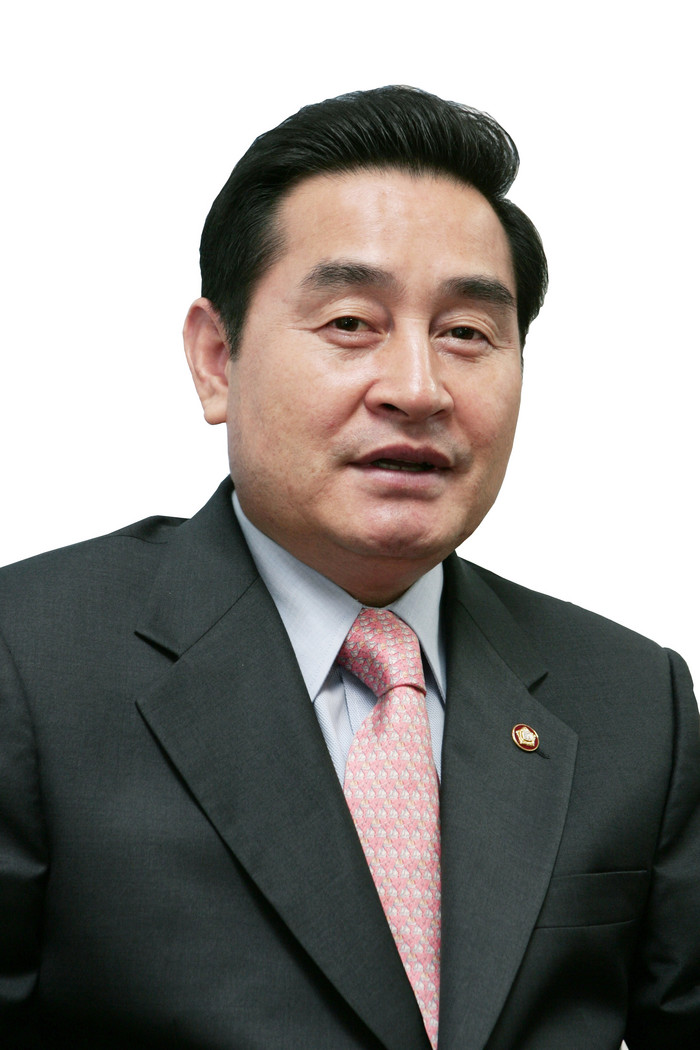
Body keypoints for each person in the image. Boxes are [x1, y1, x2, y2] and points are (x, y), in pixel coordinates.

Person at [0, 86, 698, 1050]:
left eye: (466, 333)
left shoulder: (632, 702)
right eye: (350, 323)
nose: (418, 388)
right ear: (216, 359)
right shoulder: (30, 664)